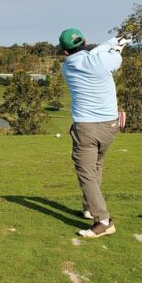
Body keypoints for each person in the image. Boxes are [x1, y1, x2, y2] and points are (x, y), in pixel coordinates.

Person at [58, 28, 130, 238]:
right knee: (96, 166)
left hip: (86, 129)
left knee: (86, 173)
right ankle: (90, 208)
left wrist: (115, 41)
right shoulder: (101, 60)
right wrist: (119, 44)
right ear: (85, 41)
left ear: (64, 52)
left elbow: (98, 51)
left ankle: (104, 221)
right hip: (110, 127)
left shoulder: (68, 67)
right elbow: (110, 55)